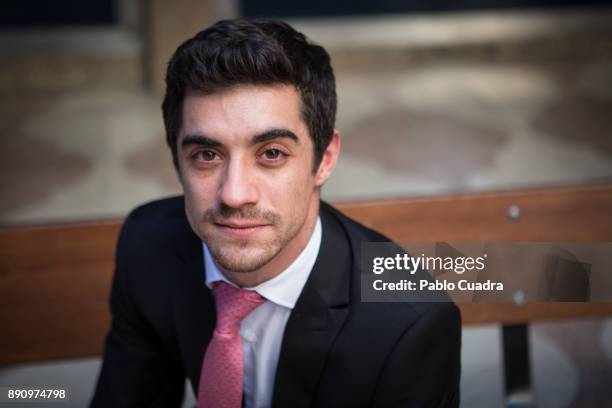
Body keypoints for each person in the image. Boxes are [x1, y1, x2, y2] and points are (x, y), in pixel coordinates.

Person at [91, 19, 460, 408]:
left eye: (271, 154)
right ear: (176, 162)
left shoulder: (408, 324)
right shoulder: (148, 247)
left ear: (325, 159)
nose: (234, 195)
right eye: (206, 155)